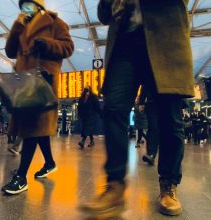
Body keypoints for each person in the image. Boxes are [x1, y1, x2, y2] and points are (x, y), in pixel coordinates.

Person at [79, 0, 194, 218]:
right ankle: (114, 187)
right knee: (113, 109)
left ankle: (168, 185)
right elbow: (104, 15)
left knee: (170, 118)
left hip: (165, 39)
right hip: (124, 43)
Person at [1, 0, 74, 195]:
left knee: (32, 127)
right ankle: (49, 163)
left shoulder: (54, 22)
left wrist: (49, 44)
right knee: (36, 127)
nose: (25, 8)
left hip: (43, 81)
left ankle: (22, 176)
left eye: (29, 4)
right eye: (23, 5)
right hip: (24, 82)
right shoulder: (22, 26)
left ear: (39, 6)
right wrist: (16, 27)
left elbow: (68, 47)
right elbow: (10, 51)